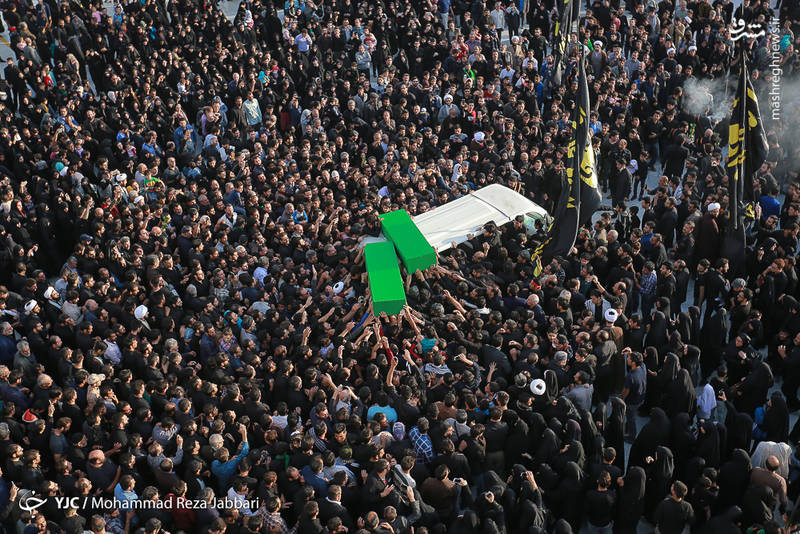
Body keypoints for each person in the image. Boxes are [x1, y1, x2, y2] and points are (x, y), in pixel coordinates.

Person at [621, 351, 646, 442]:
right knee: (632, 416)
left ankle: (631, 436)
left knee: (631, 418)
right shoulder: (643, 367)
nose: (627, 358)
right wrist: (630, 352)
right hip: (641, 398)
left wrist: (621, 399)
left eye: (629, 358)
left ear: (633, 363)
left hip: (632, 402)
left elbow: (625, 391)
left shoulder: (630, 376)